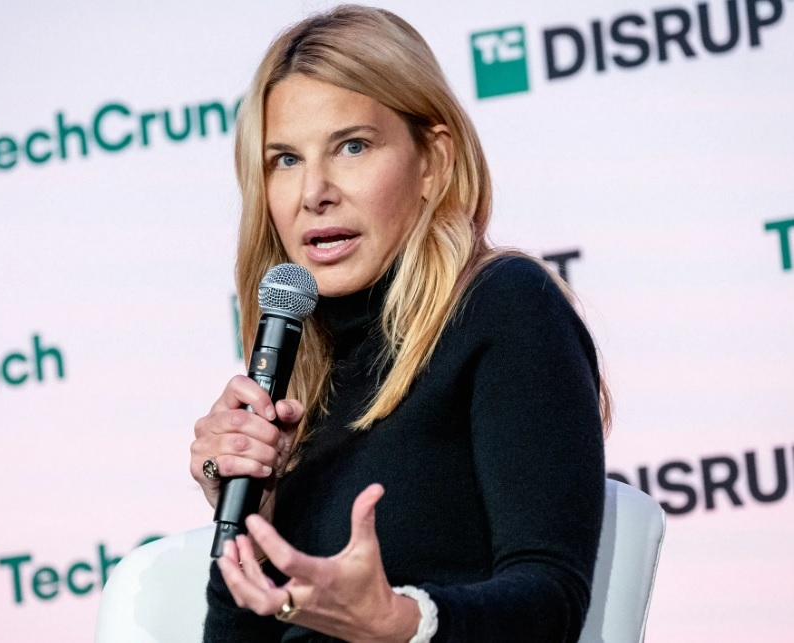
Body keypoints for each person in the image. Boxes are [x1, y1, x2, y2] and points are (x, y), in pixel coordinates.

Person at [190, 5, 610, 642]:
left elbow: (552, 604)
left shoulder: (503, 307)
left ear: (433, 161)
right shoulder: (298, 375)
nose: (314, 191)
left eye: (352, 147)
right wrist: (256, 515)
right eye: (286, 160)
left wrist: (401, 622)